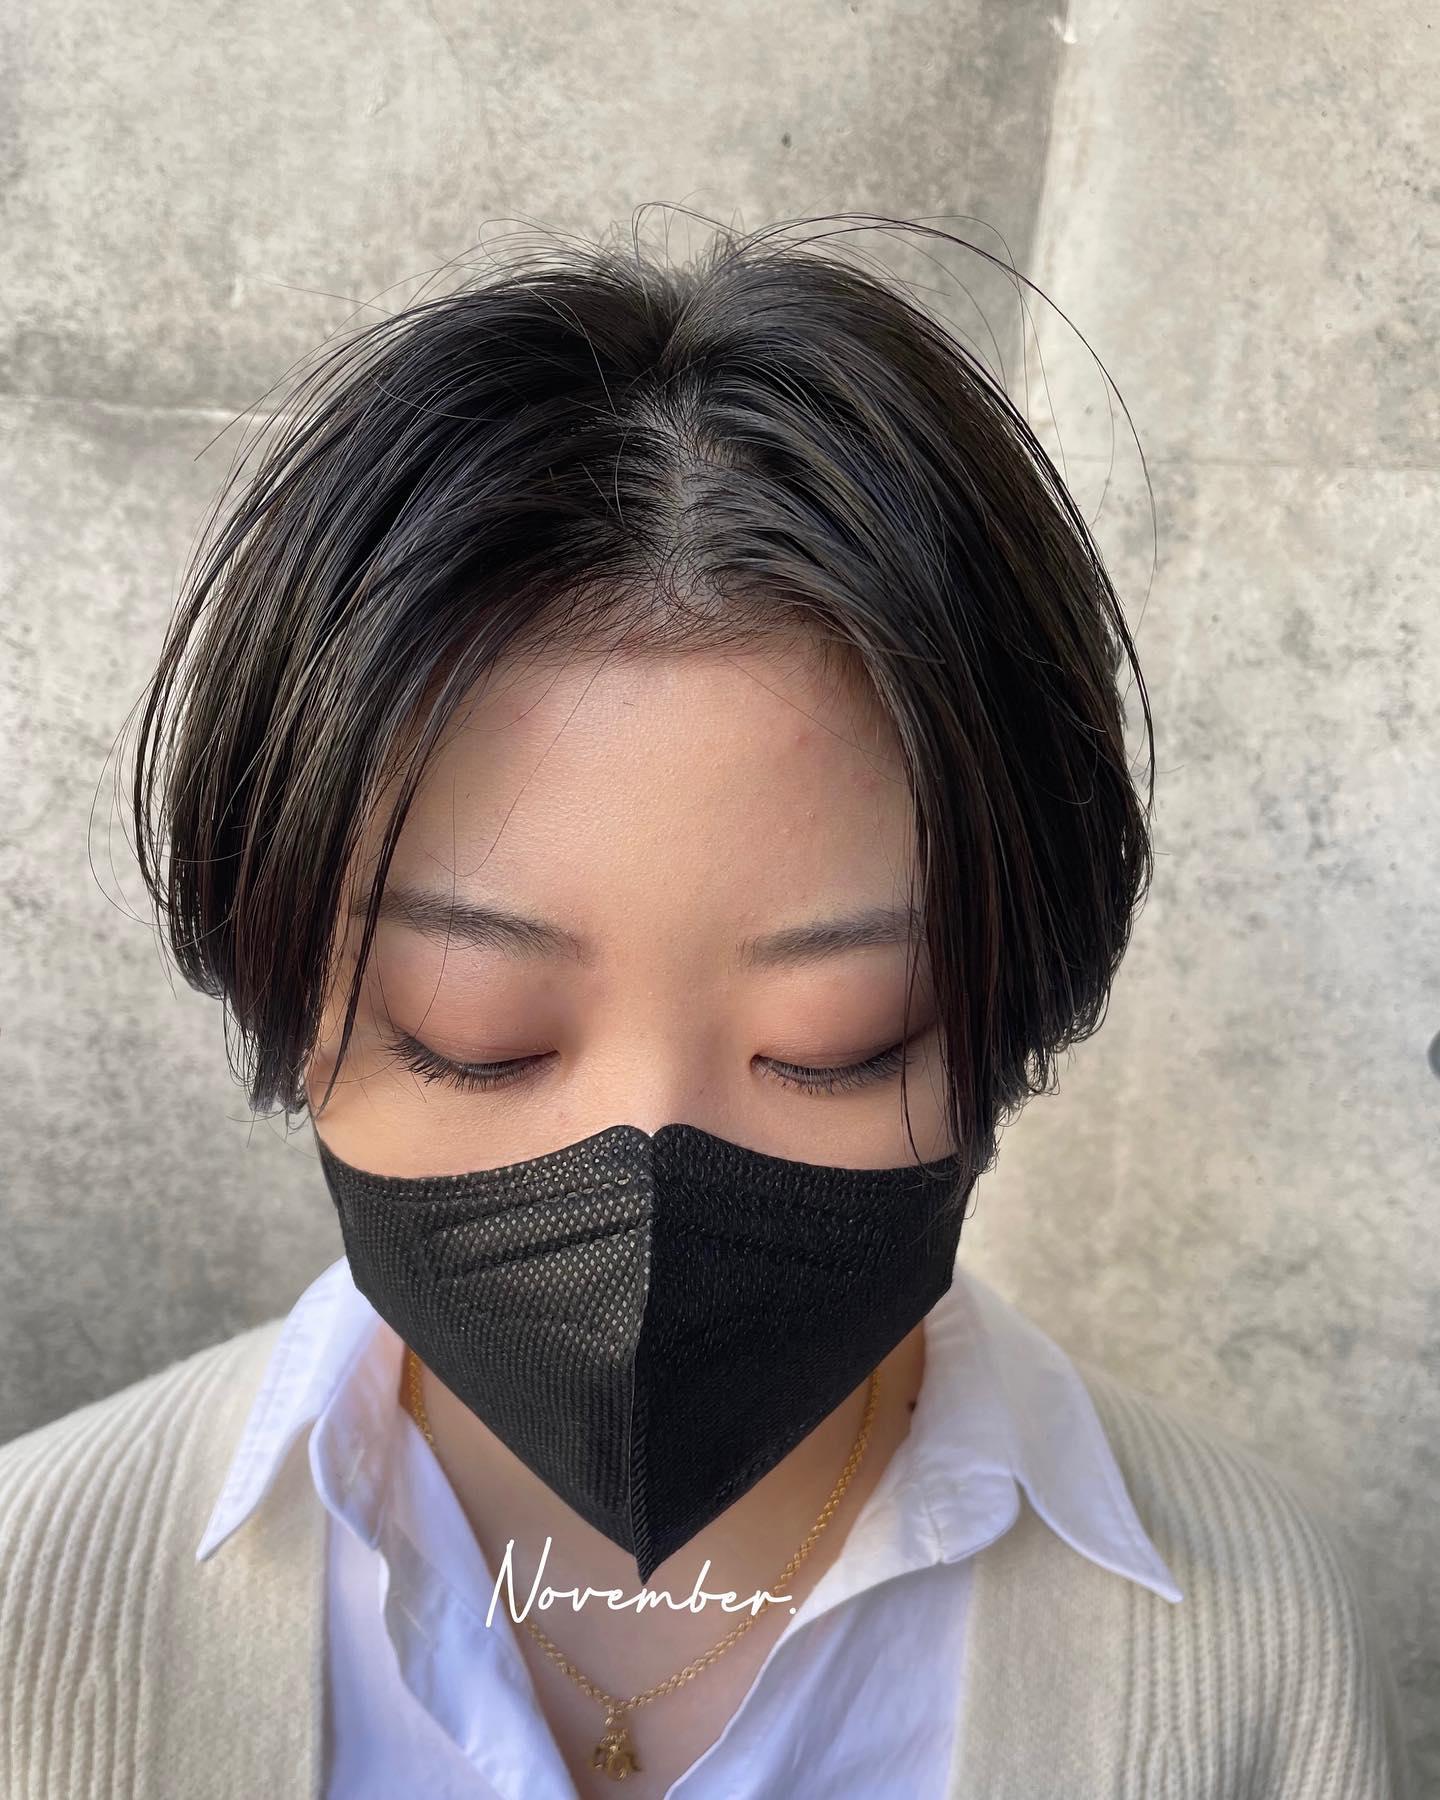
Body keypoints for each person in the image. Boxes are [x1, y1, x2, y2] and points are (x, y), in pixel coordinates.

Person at [0, 217, 1412, 1799]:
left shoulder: (1255, 1653)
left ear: (1012, 1007)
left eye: (839, 1041)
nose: (643, 1173)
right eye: (472, 1034)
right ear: (284, 991)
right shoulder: (31, 1607)